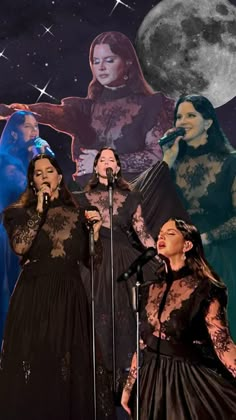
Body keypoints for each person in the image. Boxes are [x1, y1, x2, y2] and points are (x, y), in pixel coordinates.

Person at [73, 147, 190, 406]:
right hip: (96, 260)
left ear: (118, 166)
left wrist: (161, 257)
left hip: (125, 258)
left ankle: (125, 385)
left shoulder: (130, 196)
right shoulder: (81, 198)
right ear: (95, 167)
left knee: (128, 318)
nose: (107, 163)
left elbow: (142, 232)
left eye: (112, 159)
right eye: (102, 160)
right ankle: (98, 385)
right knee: (95, 317)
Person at [0, 154, 108, 420]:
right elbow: (20, 247)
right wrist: (39, 209)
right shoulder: (18, 213)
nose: (45, 175)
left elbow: (93, 263)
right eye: (38, 173)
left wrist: (95, 235)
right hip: (33, 295)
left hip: (68, 297)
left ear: (60, 176)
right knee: (34, 361)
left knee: (67, 365)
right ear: (33, 182)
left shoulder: (79, 215)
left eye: (50, 170)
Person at [0, 31, 174, 186]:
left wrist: (103, 162)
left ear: (128, 62)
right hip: (88, 203)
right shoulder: (86, 109)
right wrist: (21, 110)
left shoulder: (151, 105)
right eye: (96, 61)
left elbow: (158, 156)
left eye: (109, 60)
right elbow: (57, 113)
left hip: (135, 202)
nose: (101, 67)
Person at [121, 218, 236, 420]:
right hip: (151, 385)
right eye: (160, 233)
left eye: (170, 233)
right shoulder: (147, 289)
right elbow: (142, 344)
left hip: (186, 383)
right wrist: (128, 387)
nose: (161, 236)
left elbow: (223, 344)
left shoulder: (204, 289)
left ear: (187, 245)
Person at [161, 94, 236, 339]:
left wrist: (207, 238)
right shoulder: (171, 164)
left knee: (221, 328)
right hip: (180, 259)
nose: (183, 121)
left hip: (218, 257)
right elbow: (156, 206)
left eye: (191, 115)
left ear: (209, 122)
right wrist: (166, 161)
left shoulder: (230, 162)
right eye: (179, 116)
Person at [0, 111, 55, 342]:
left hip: (35, 233)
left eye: (36, 126)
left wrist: (44, 158)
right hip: (9, 236)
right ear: (14, 132)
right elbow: (23, 192)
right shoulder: (5, 161)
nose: (34, 132)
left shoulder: (36, 157)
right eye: (28, 127)